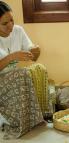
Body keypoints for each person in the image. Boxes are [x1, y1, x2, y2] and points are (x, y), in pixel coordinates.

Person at [0, 1, 48, 139]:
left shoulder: (18, 31)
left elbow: (33, 57)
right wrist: (12, 57)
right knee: (21, 74)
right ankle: (19, 122)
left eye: (11, 20)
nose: (10, 25)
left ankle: (32, 119)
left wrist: (36, 51)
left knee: (32, 71)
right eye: (4, 23)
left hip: (13, 77)